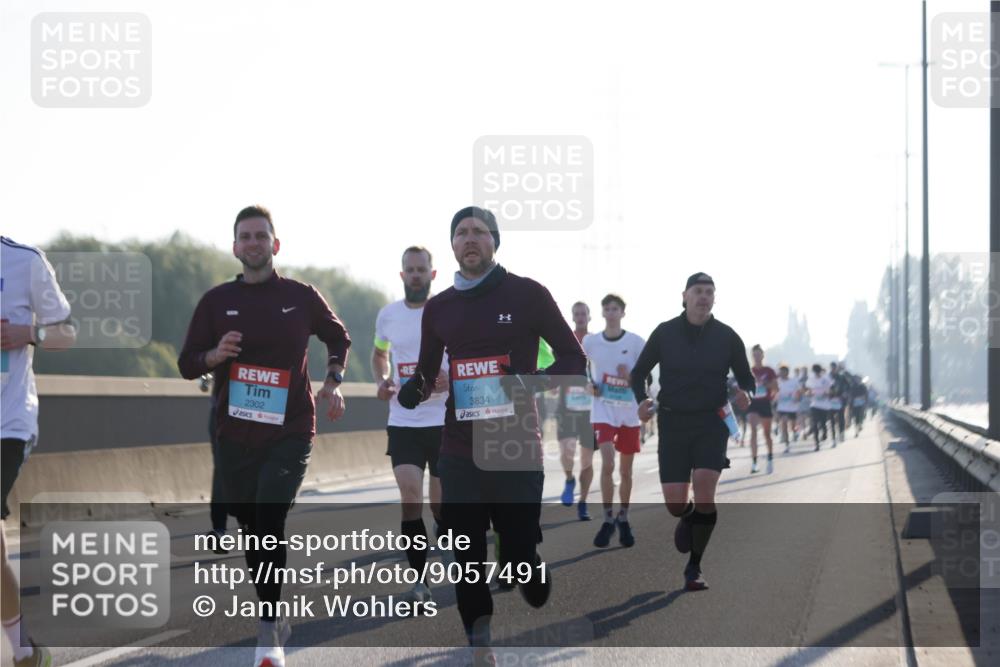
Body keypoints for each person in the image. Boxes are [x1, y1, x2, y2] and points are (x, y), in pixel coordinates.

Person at [397, 206, 586, 661]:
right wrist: (412, 390)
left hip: (515, 445)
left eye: (479, 231)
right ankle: (479, 643)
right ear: (453, 245)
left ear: (495, 241)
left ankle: (526, 562)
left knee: (519, 558)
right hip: (459, 448)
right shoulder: (439, 308)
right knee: (467, 555)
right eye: (461, 232)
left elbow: (572, 360)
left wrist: (529, 381)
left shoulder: (528, 295)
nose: (470, 238)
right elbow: (426, 372)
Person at [177, 206, 351, 667]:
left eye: (261, 236)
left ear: (276, 245)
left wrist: (333, 381)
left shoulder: (300, 296)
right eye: (245, 237)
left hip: (291, 428)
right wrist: (216, 354)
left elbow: (338, 337)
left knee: (270, 516)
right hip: (235, 434)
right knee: (254, 528)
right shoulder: (215, 302)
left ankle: (268, 629)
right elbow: (186, 363)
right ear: (235, 247)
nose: (253, 243)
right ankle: (273, 612)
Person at [630, 272, 754, 591]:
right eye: (698, 291)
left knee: (704, 486)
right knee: (674, 503)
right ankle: (687, 516)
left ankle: (694, 567)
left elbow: (746, 377)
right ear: (684, 295)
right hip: (672, 421)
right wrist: (642, 399)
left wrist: (745, 393)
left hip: (712, 422)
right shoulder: (665, 332)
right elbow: (639, 372)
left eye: (709, 292)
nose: (704, 297)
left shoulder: (727, 336)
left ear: (714, 298)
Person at [1, 236, 76, 667]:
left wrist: (28, 333)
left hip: (8, 423)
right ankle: (24, 649)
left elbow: (66, 334)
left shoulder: (23, 261)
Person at [372, 246, 450, 607]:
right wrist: (383, 380)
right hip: (403, 420)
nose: (415, 275)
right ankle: (419, 582)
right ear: (401, 274)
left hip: (443, 421)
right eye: (410, 269)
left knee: (440, 506)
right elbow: (379, 353)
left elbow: (465, 355)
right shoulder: (388, 315)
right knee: (410, 499)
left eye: (422, 269)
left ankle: (444, 527)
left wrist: (448, 378)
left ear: (432, 275)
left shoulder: (448, 312)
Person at [583, 294, 645, 548]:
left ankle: (624, 516)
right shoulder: (591, 342)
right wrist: (588, 385)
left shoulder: (636, 342)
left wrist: (631, 376)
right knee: (607, 463)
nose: (611, 313)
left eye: (615, 309)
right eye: (607, 309)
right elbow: (580, 367)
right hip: (603, 410)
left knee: (625, 470)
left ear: (623, 313)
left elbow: (646, 376)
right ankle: (608, 518)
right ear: (602, 313)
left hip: (629, 411)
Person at [555, 302, 594, 520]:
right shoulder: (562, 340)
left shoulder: (596, 342)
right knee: (567, 453)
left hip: (590, 408)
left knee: (587, 458)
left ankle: (583, 502)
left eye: (583, 313)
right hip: (566, 406)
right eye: (576, 314)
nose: (580, 317)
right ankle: (569, 479)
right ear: (572, 317)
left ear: (589, 316)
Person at [746, 345, 777, 473]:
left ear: (763, 355)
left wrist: (764, 383)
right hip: (753, 403)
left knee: (766, 434)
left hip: (765, 403)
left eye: (759, 354)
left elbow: (775, 387)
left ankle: (770, 459)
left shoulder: (768, 370)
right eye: (754, 355)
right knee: (753, 430)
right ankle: (754, 462)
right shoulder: (749, 371)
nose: (757, 357)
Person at [805, 363, 834, 450]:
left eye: (818, 371)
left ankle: (824, 433)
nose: (816, 373)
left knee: (823, 423)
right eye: (815, 371)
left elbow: (830, 390)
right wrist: (809, 393)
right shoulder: (811, 379)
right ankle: (817, 444)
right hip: (814, 404)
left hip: (824, 405)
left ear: (820, 371)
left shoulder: (826, 379)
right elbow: (808, 391)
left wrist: (827, 393)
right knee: (814, 424)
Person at [774, 365, 800, 452]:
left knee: (793, 426)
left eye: (783, 372)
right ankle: (787, 445)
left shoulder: (794, 381)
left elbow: (799, 391)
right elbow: (774, 392)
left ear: (787, 372)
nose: (781, 374)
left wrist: (797, 397)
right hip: (782, 406)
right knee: (784, 424)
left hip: (792, 406)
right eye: (780, 372)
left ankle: (796, 432)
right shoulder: (777, 382)